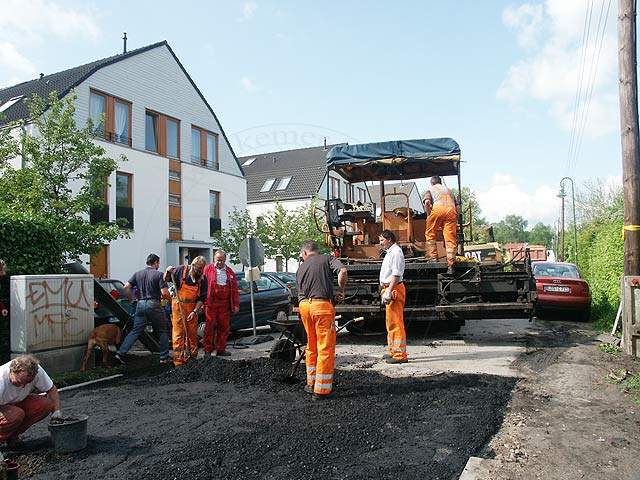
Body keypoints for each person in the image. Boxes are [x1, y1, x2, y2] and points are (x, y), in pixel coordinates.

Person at [296, 240, 347, 399]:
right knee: (325, 347)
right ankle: (322, 390)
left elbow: (307, 290)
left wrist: (330, 295)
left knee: (311, 346)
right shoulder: (328, 259)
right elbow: (343, 271)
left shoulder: (300, 267)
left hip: (304, 306)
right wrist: (341, 289)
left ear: (305, 253)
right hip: (321, 308)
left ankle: (310, 383)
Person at [116, 254, 171, 364]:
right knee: (162, 331)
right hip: (154, 304)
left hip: (140, 304)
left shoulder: (138, 274)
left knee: (136, 330)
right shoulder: (159, 275)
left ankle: (120, 353)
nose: (158, 265)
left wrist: (132, 299)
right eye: (158, 263)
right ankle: (163, 358)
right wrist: (171, 300)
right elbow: (164, 293)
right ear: (155, 262)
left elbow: (126, 287)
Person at [0, 355, 61, 448]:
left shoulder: (36, 370)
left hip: (14, 402)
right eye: (19, 382)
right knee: (15, 414)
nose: (23, 386)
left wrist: (56, 412)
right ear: (12, 371)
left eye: (27, 383)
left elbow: (51, 390)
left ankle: (11, 436)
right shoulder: (1, 380)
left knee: (45, 405)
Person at [164, 256, 207, 366]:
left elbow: (202, 298)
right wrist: (167, 271)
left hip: (192, 308)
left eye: (201, 269)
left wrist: (195, 311)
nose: (200, 271)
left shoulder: (202, 279)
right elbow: (166, 279)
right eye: (198, 269)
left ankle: (192, 359)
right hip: (178, 307)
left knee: (192, 334)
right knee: (178, 334)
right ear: (193, 265)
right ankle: (178, 362)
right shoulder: (180, 271)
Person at [202, 250, 239, 357]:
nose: (219, 263)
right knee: (209, 327)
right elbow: (201, 284)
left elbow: (235, 290)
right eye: (218, 260)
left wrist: (236, 304)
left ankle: (220, 349)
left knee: (224, 327)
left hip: (224, 304)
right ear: (214, 259)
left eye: (222, 261)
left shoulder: (230, 272)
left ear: (225, 260)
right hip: (211, 303)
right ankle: (207, 350)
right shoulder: (207, 269)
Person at [379, 230, 408, 364]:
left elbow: (396, 274)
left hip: (394, 289)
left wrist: (389, 290)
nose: (380, 243)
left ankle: (399, 355)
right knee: (390, 322)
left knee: (396, 323)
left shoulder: (395, 253)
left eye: (382, 240)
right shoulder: (391, 252)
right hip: (390, 288)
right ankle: (393, 350)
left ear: (389, 239)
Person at [423, 175, 458, 274]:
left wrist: (429, 215)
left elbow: (427, 203)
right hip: (451, 211)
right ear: (440, 182)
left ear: (432, 183)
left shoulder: (430, 189)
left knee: (430, 233)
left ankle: (433, 258)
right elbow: (457, 207)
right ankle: (451, 265)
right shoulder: (450, 191)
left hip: (438, 209)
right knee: (450, 238)